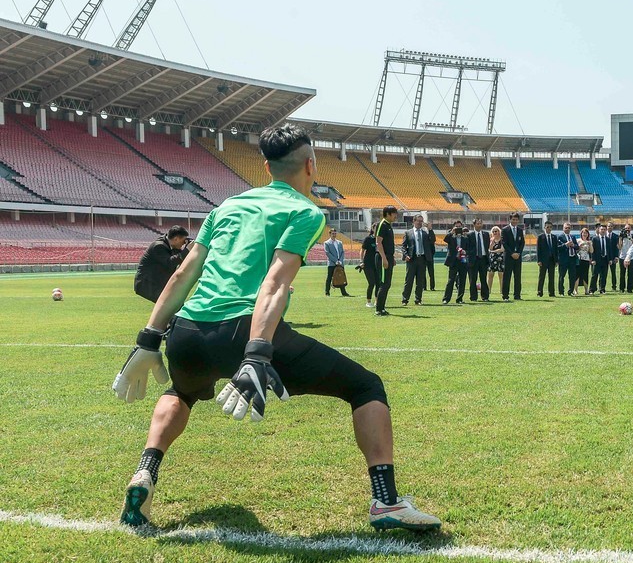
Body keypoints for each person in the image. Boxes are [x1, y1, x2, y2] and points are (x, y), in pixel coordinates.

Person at [111, 124, 439, 532]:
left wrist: (148, 338)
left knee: (181, 392)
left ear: (266, 166)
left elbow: (182, 276)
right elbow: (275, 282)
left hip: (187, 331)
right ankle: (386, 502)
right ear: (310, 165)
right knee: (365, 386)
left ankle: (145, 472)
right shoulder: (305, 212)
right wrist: (257, 352)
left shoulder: (226, 207)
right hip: (247, 331)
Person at [134, 225, 190, 303]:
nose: (183, 244)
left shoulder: (171, 246)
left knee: (174, 304)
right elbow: (170, 262)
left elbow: (181, 258)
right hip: (147, 284)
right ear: (176, 239)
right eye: (183, 241)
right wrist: (187, 249)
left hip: (156, 283)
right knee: (170, 304)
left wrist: (188, 247)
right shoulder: (158, 246)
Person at [400, 214, 430, 306]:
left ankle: (418, 299)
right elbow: (403, 246)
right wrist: (406, 255)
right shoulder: (408, 233)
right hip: (412, 260)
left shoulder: (425, 233)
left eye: (422, 221)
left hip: (422, 259)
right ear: (414, 221)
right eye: (419, 221)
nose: (420, 223)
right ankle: (405, 300)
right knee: (409, 280)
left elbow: (429, 245)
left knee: (420, 281)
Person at [374, 206, 397, 317]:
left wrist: (392, 258)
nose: (395, 216)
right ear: (388, 214)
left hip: (389, 257)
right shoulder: (382, 225)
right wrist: (384, 258)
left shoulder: (388, 226)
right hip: (383, 257)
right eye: (394, 214)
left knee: (387, 283)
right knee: (384, 284)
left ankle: (382, 308)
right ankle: (378, 309)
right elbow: (379, 243)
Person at [441, 221, 468, 305]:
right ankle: (446, 299)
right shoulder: (451, 237)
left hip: (462, 261)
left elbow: (469, 248)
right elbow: (445, 239)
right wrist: (452, 232)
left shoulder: (465, 238)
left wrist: (464, 251)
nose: (458, 228)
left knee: (462, 280)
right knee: (451, 280)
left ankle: (459, 298)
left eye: (460, 227)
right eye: (457, 227)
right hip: (453, 261)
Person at [500, 212, 525, 300]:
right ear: (510, 219)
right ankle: (505, 295)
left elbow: (522, 243)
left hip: (518, 257)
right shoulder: (505, 230)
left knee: (517, 277)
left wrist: (518, 253)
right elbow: (504, 243)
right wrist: (512, 253)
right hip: (508, 257)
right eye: (513, 219)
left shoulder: (520, 230)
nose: (515, 221)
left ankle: (517, 295)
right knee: (507, 276)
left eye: (516, 220)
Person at [323, 228, 352, 297]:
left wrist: (340, 261)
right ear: (330, 234)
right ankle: (327, 292)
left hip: (340, 263)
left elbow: (342, 252)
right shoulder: (327, 243)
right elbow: (328, 253)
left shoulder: (339, 242)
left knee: (341, 277)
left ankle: (343, 292)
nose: (334, 235)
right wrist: (335, 261)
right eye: (333, 233)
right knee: (329, 278)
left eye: (335, 233)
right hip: (332, 264)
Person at [468, 219, 491, 302]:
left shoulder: (486, 234)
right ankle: (473, 297)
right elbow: (468, 247)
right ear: (474, 225)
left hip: (483, 259)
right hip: (474, 259)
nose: (479, 225)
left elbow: (487, 245)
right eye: (477, 224)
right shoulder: (470, 235)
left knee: (483, 279)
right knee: (473, 279)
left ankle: (485, 296)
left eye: (480, 223)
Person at [358, 223, 378, 308]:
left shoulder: (381, 239)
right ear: (373, 229)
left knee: (378, 283)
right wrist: (361, 261)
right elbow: (362, 251)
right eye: (376, 228)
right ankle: (368, 301)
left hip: (377, 264)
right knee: (371, 283)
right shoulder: (368, 239)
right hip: (368, 264)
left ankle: (377, 301)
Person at [537, 220, 558, 297]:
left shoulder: (554, 237)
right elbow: (538, 249)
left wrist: (556, 261)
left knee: (551, 277)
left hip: (552, 260)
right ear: (544, 227)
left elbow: (556, 250)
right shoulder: (540, 237)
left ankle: (551, 293)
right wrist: (539, 260)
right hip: (543, 260)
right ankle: (539, 292)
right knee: (542, 277)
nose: (549, 228)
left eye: (550, 227)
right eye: (547, 227)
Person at [558, 221, 579, 296]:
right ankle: (561, 292)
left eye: (569, 228)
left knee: (572, 276)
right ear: (563, 228)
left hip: (572, 259)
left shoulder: (572, 237)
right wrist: (565, 245)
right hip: (563, 260)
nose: (567, 229)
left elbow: (577, 247)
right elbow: (558, 248)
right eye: (566, 228)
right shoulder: (560, 237)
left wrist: (573, 245)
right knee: (561, 276)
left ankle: (571, 291)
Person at [592, 223, 614, 294]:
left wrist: (610, 259)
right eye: (602, 229)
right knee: (594, 275)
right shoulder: (595, 239)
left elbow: (610, 250)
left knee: (604, 275)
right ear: (599, 230)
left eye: (604, 229)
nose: (603, 231)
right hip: (597, 260)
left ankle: (602, 289)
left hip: (605, 259)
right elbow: (593, 251)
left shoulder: (607, 239)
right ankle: (592, 289)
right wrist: (593, 259)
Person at [487, 225, 505, 297]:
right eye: (493, 231)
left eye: (496, 231)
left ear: (499, 232)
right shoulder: (491, 240)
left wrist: (493, 251)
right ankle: (488, 290)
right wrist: (492, 243)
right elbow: (489, 249)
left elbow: (502, 249)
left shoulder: (502, 239)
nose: (495, 232)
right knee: (490, 274)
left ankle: (502, 290)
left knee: (501, 275)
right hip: (492, 259)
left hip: (500, 258)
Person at [617, 225, 633, 293]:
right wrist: (621, 238)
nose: (627, 230)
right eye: (626, 229)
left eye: (628, 228)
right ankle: (622, 288)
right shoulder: (622, 237)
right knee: (622, 273)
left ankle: (630, 288)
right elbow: (620, 247)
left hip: (631, 257)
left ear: (631, 229)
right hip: (623, 257)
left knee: (631, 273)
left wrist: (629, 237)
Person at [576, 227, 593, 293]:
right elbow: (576, 250)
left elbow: (591, 251)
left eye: (586, 233)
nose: (585, 234)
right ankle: (575, 290)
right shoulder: (578, 240)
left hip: (586, 259)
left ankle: (586, 290)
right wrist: (580, 246)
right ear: (581, 234)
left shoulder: (589, 241)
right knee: (577, 275)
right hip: (578, 259)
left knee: (585, 275)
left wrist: (590, 245)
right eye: (583, 233)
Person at [424, 223, 436, 292]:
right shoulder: (422, 232)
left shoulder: (431, 233)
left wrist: (430, 230)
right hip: (424, 256)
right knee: (423, 273)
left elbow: (433, 240)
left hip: (430, 256)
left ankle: (432, 287)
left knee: (431, 273)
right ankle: (424, 286)